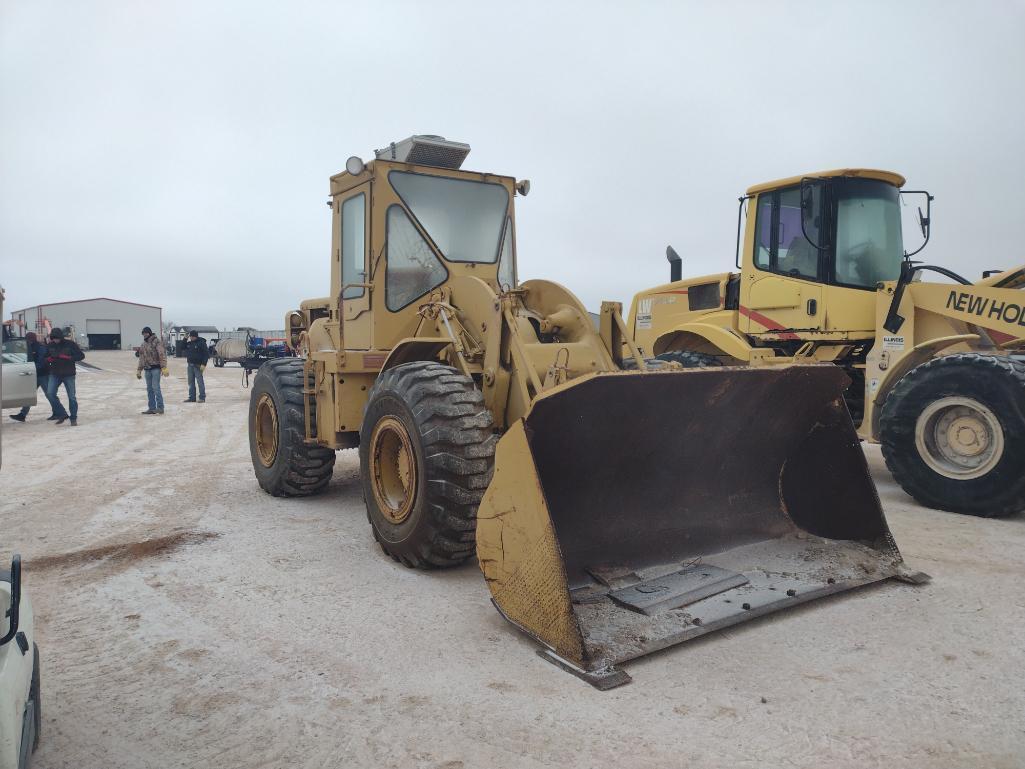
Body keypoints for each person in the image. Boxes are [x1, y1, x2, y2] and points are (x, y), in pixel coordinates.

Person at [8, 332, 58, 423]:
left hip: (43, 375)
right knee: (29, 394)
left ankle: (57, 412)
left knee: (49, 394)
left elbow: (41, 363)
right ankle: (22, 415)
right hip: (33, 374)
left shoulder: (40, 347)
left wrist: (30, 368)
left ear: (32, 339)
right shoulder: (28, 347)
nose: (27, 341)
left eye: (28, 339)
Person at [45, 328, 84, 426]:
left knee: (71, 397)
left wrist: (69, 358)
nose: (55, 340)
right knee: (50, 393)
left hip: (69, 374)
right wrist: (48, 359)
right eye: (53, 339)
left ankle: (73, 418)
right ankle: (62, 413)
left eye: (57, 338)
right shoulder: (50, 345)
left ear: (61, 337)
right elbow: (45, 357)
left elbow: (81, 356)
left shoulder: (70, 344)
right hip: (55, 373)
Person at [136, 326, 169, 415]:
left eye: (146, 333)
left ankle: (160, 407)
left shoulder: (156, 342)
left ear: (150, 333)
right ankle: (151, 408)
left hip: (156, 369)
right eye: (143, 334)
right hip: (147, 369)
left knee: (156, 388)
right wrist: (139, 370)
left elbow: (162, 354)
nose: (145, 335)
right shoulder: (143, 344)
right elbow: (141, 358)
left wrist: (164, 367)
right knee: (149, 389)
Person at [182, 330, 209, 403]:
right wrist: (185, 338)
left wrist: (204, 364)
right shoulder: (190, 343)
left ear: (196, 336)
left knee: (200, 382)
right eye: (190, 336)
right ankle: (192, 397)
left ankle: (202, 397)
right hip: (190, 365)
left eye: (192, 336)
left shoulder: (201, 343)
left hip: (198, 366)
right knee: (191, 382)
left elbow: (206, 354)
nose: (191, 338)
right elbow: (182, 347)